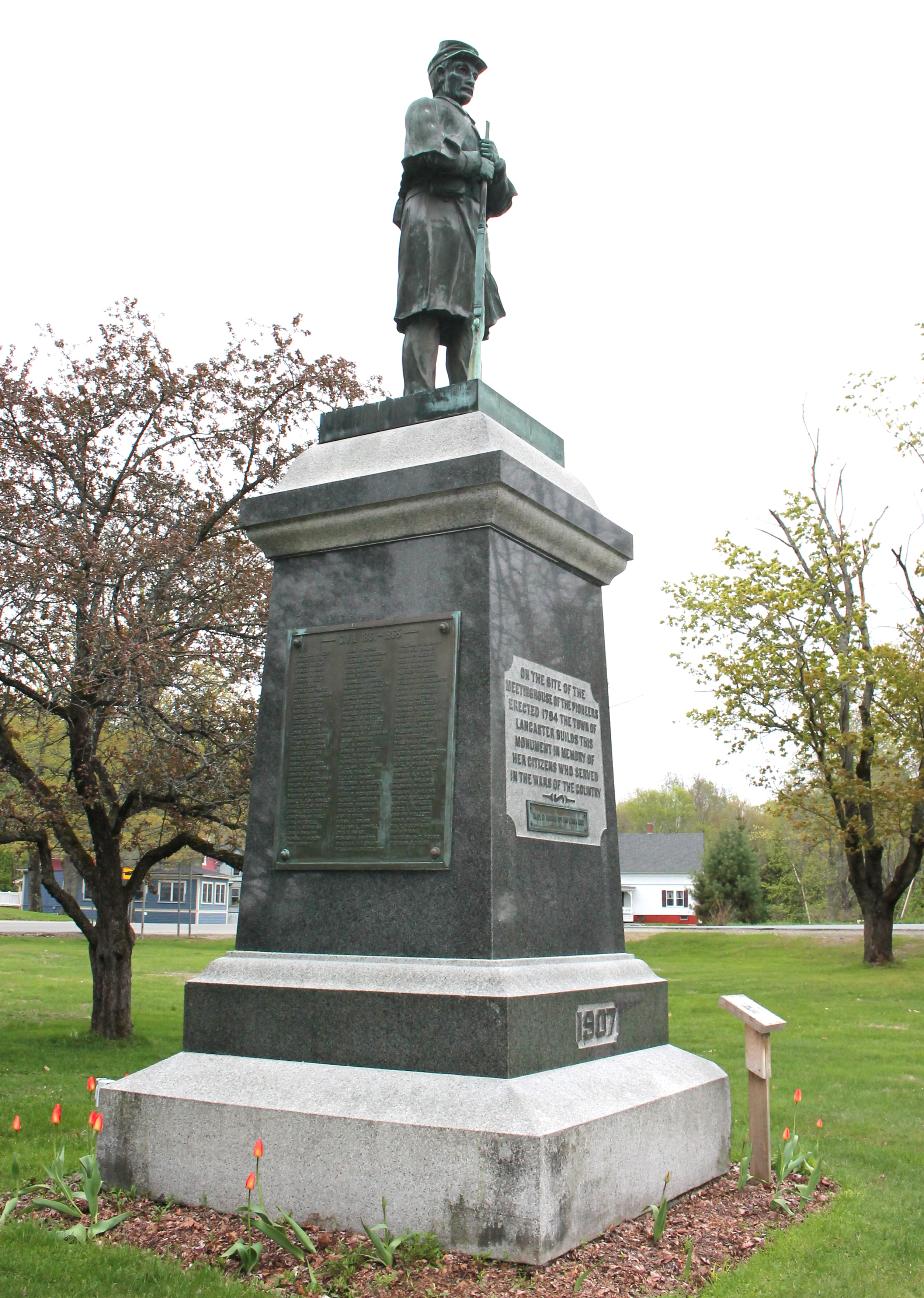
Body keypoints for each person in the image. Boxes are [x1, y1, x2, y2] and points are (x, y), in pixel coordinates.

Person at [394, 40, 516, 394]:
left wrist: (499, 167)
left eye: (473, 75)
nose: (469, 80)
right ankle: (418, 395)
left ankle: (464, 391)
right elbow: (426, 152)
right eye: (461, 70)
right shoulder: (425, 109)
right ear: (441, 73)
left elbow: (498, 201)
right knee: (426, 306)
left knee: (468, 314)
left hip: (468, 225)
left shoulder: (477, 132)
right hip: (431, 219)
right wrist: (475, 162)